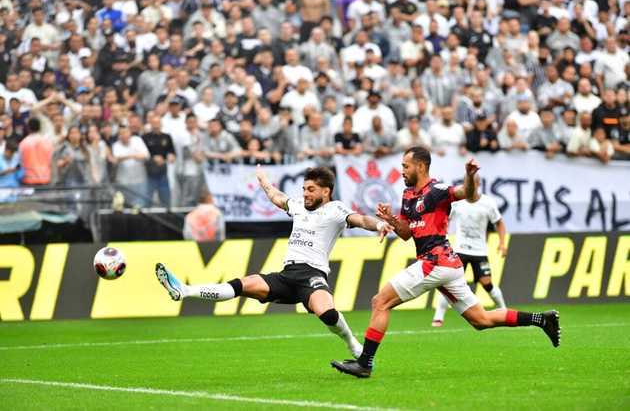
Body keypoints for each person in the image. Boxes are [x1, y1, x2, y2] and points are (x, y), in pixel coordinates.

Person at [331, 146, 561, 378]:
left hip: (435, 261)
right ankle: (542, 319)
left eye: (405, 166)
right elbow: (406, 233)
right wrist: (390, 219)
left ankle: (365, 363)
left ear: (420, 166)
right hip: (447, 266)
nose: (401, 171)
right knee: (481, 320)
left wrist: (470, 176)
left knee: (380, 302)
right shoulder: (408, 194)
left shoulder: (437, 191)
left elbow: (467, 194)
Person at [156, 166, 394, 359]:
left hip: (312, 275)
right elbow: (276, 197)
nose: (306, 194)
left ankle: (354, 346)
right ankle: (185, 290)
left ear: (326, 192)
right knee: (241, 285)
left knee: (327, 313)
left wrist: (379, 224)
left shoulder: (335, 209)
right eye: (304, 189)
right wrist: (263, 181)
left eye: (311, 189)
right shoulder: (299, 206)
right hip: (287, 276)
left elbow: (361, 219)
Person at [431, 175, 508, 327]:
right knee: (448, 283)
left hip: (479, 251)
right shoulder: (457, 203)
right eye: (468, 182)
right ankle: (438, 316)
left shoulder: (487, 203)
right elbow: (445, 219)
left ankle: (504, 310)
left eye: (473, 182)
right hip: (459, 250)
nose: (470, 185)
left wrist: (502, 243)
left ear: (479, 183)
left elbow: (499, 223)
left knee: (487, 283)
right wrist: (440, 239)